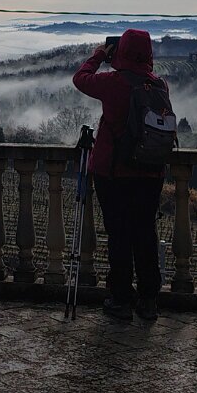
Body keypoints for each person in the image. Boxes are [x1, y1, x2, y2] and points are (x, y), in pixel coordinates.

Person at [72, 28, 167, 322]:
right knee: (145, 234)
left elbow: (80, 78)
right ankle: (149, 300)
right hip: (150, 171)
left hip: (114, 172)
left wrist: (99, 55)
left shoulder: (114, 82)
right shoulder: (158, 84)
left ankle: (121, 299)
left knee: (119, 235)